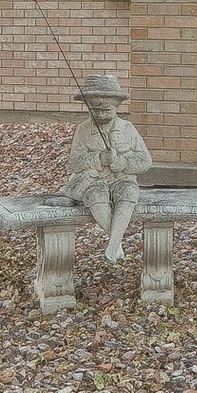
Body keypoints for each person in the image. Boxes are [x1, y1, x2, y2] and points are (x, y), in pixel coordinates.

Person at [61, 73, 151, 261]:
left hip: (122, 179)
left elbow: (145, 160)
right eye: (95, 110)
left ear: (116, 107)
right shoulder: (83, 130)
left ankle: (113, 243)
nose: (101, 114)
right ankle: (115, 243)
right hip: (94, 180)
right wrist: (99, 159)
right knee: (96, 195)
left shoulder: (127, 128)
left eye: (106, 110)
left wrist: (123, 163)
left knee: (128, 192)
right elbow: (75, 162)